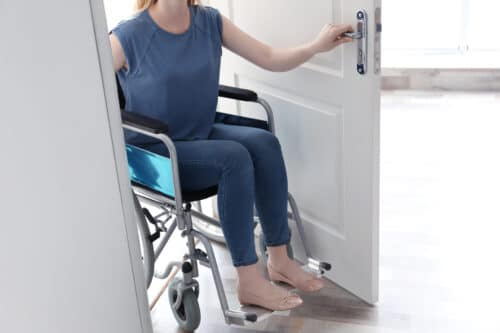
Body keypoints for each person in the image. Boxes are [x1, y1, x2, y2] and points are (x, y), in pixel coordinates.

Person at [109, 0, 353, 311]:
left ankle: (279, 259)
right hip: (157, 151)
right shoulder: (127, 35)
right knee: (233, 157)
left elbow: (268, 57)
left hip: (199, 130)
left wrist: (316, 46)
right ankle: (249, 280)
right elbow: (87, 85)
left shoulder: (210, 21)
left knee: (263, 143)